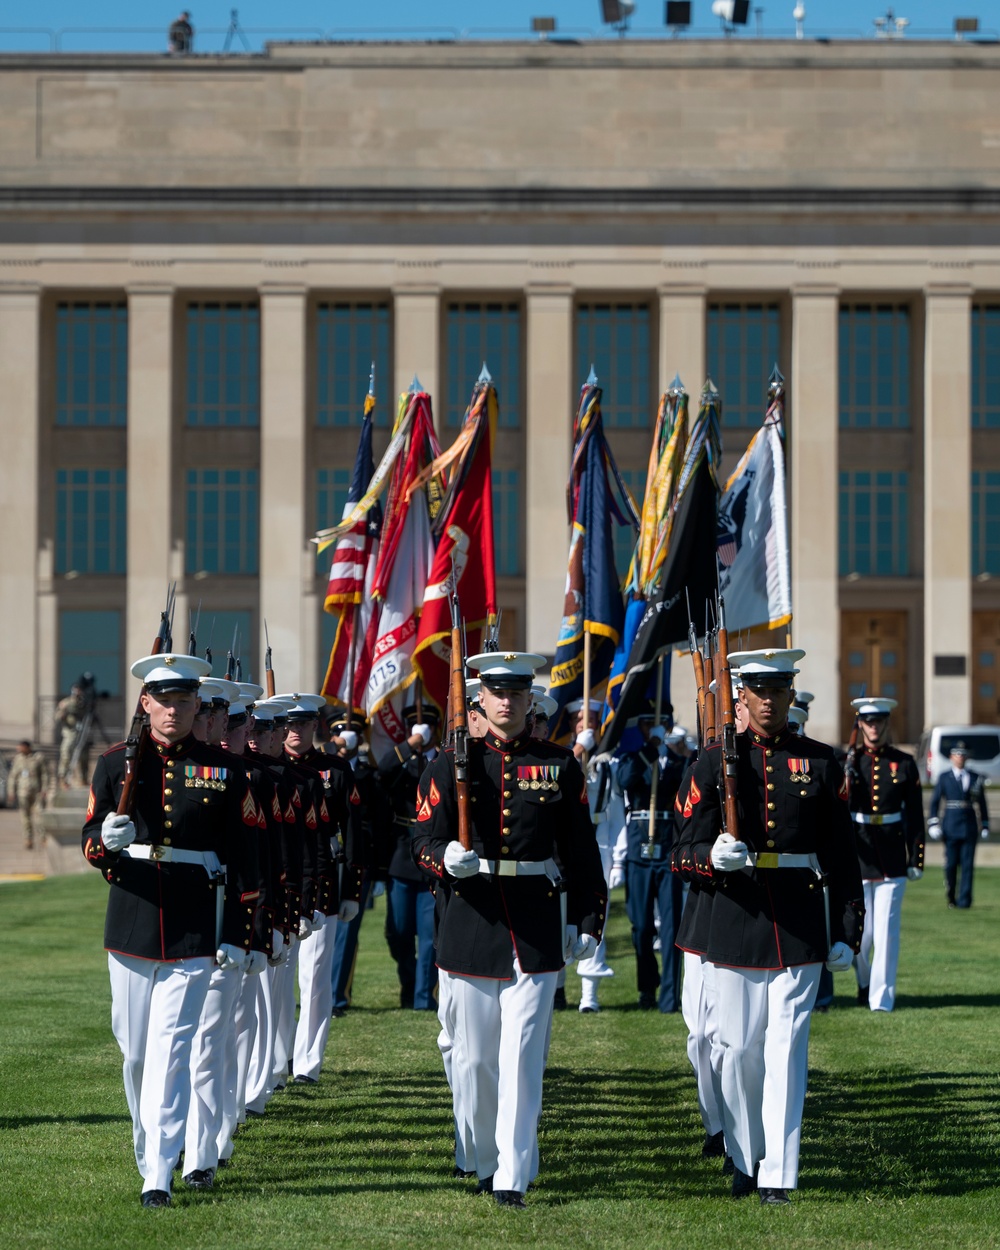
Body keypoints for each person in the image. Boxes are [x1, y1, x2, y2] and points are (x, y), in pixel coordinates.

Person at [412, 650, 607, 1210]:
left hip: (537, 924)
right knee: (474, 1062)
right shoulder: (449, 762)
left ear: (528, 699)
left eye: (517, 692)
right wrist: (444, 858)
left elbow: (580, 849)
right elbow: (419, 841)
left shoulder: (559, 764)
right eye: (497, 693)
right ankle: (479, 1153)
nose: (508, 701)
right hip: (473, 921)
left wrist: (590, 916)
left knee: (522, 1057)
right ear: (480, 700)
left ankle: (511, 1175)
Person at [682, 648, 864, 1207]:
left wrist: (848, 929)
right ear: (740, 695)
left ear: (790, 694)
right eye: (757, 689)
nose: (767, 699)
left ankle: (778, 1175)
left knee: (786, 1050)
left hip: (799, 921)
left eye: (777, 689)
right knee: (737, 1051)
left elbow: (842, 855)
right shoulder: (714, 762)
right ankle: (744, 1153)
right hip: (734, 918)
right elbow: (681, 849)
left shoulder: (822, 761)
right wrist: (713, 856)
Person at [81, 652, 260, 1208]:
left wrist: (237, 932)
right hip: (132, 917)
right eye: (165, 701)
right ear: (145, 703)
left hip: (193, 923)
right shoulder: (116, 764)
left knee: (172, 1049)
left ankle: (158, 1171)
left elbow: (245, 858)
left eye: (185, 702)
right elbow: (91, 839)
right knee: (135, 1054)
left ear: (195, 706)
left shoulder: (226, 770)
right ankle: (148, 1148)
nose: (174, 711)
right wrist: (104, 844)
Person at [845, 695, 924, 1011]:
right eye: (867, 721)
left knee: (887, 935)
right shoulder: (850, 762)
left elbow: (915, 814)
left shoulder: (903, 763)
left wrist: (915, 857)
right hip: (859, 855)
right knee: (861, 938)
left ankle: (881, 999)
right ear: (860, 724)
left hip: (892, 855)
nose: (873, 726)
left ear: (886, 723)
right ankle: (865, 983)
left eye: (878, 721)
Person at [616, 715, 685, 1012]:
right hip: (639, 848)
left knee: (671, 928)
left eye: (658, 723)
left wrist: (665, 749)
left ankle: (670, 997)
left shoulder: (680, 762)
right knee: (641, 926)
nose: (652, 727)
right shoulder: (633, 758)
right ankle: (647, 988)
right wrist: (650, 750)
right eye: (646, 723)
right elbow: (624, 781)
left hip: (668, 847)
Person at [378, 705, 441, 1010]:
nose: (422, 732)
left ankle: (422, 998)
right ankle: (409, 983)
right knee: (399, 932)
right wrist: (411, 745)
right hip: (403, 855)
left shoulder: (442, 760)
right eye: (416, 727)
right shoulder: (402, 760)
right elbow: (384, 769)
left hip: (434, 855)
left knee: (430, 937)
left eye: (427, 727)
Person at [928, 742, 989, 909]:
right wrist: (933, 822)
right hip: (950, 825)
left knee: (968, 865)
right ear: (951, 757)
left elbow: (982, 804)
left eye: (963, 754)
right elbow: (935, 802)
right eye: (957, 754)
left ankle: (965, 901)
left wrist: (984, 824)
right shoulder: (944, 777)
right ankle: (951, 896)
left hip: (969, 826)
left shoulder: (975, 777)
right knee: (951, 864)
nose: (960, 757)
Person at [8, 739, 48, 849]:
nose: (19, 749)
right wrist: (11, 791)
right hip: (23, 792)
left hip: (37, 792)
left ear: (28, 747)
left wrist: (45, 789)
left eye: (21, 747)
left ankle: (43, 838)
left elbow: (45, 774)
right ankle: (28, 839)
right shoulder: (18, 759)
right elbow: (13, 776)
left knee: (39, 816)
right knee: (25, 817)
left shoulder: (38, 758)